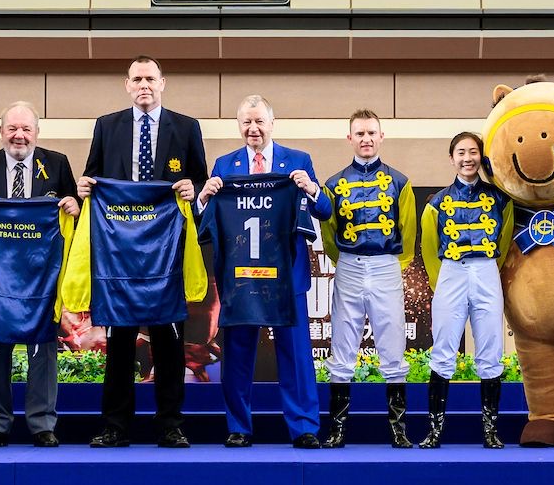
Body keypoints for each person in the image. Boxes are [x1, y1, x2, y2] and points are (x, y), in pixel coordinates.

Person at [77, 55, 207, 448]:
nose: (144, 85)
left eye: (150, 78)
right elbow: (92, 176)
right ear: (127, 85)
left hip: (167, 252)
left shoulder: (186, 127)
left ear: (162, 83)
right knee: (119, 343)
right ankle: (115, 427)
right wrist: (84, 187)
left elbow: (200, 180)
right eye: (137, 79)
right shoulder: (107, 126)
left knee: (169, 342)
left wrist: (193, 188)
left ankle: (170, 425)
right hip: (119, 253)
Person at [197, 95, 333, 448]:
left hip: (287, 276)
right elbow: (206, 222)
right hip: (241, 277)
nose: (253, 128)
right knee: (237, 354)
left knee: (296, 353)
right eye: (246, 122)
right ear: (239, 126)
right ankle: (238, 427)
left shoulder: (298, 161)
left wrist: (311, 188)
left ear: (272, 123)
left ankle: (304, 428)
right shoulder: (224, 165)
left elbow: (324, 210)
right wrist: (203, 198)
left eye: (259, 121)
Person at [0, 101, 80, 448]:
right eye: (12, 128)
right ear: (1, 132)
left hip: (43, 275)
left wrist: (75, 205)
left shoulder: (57, 163)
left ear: (37, 133)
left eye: (26, 129)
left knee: (44, 350)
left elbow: (75, 211)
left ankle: (42, 424)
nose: (19, 135)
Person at [320, 109, 417, 449]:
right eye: (360, 133)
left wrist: (394, 264)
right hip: (349, 264)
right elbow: (329, 234)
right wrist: (345, 260)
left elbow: (408, 229)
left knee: (393, 345)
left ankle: (398, 430)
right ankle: (337, 430)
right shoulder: (333, 184)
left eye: (371, 133)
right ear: (349, 138)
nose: (366, 139)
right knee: (342, 344)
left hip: (387, 265)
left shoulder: (400, 182)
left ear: (381, 136)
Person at [419, 132, 513, 449]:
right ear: (452, 158)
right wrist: (441, 283)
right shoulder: (436, 203)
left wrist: (490, 270)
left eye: (473, 152)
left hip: (486, 268)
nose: (467, 158)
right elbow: (429, 247)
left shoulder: (500, 199)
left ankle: (490, 431)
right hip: (451, 271)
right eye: (461, 152)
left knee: (491, 347)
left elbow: (505, 240)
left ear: (480, 157)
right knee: (443, 348)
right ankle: (434, 431)